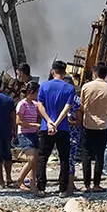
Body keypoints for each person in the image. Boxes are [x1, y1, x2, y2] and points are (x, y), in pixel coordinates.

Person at [36, 61, 76, 198]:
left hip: (46, 127)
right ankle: (63, 189)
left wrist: (49, 122)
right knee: (64, 158)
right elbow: (66, 109)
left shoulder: (44, 86)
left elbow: (40, 105)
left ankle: (41, 188)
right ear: (64, 73)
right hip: (63, 128)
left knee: (43, 157)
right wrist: (57, 123)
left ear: (53, 71)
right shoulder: (69, 88)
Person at [79, 63, 107, 193]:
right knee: (100, 155)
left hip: (87, 124)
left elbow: (82, 106)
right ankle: (96, 184)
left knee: (87, 154)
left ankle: (86, 185)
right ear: (106, 74)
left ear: (94, 73)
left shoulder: (86, 87)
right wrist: (103, 117)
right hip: (103, 126)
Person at [16, 81, 43, 195]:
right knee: (31, 159)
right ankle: (20, 179)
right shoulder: (22, 104)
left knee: (35, 161)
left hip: (34, 134)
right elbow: (18, 121)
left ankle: (33, 184)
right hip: (25, 134)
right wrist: (33, 125)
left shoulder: (35, 104)